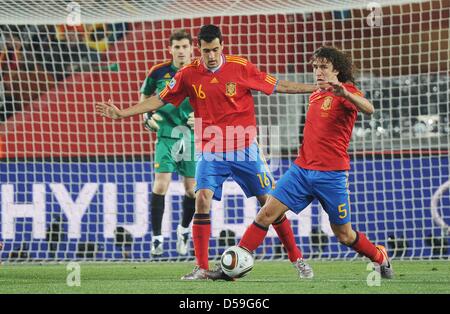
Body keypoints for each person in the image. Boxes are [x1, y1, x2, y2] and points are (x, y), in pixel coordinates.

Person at [96, 24, 317, 280]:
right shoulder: (188, 73)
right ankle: (201, 267)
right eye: (205, 51)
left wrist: (316, 88)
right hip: (210, 148)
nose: (211, 56)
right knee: (201, 198)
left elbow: (279, 85)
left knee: (269, 205)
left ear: (222, 45)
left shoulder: (241, 66)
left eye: (214, 49)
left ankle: (297, 259)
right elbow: (160, 98)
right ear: (198, 49)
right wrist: (123, 113)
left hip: (244, 146)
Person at [237, 46, 394, 279]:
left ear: (337, 70)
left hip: (331, 175)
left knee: (344, 235)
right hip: (300, 171)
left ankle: (379, 255)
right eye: (315, 67)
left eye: (324, 67)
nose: (318, 72)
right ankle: (234, 265)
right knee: (265, 214)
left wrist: (346, 94)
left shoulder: (346, 92)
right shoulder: (315, 93)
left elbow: (369, 109)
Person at [139, 29, 196, 256]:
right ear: (170, 49)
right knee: (160, 185)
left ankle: (183, 230)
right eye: (177, 47)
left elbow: (212, 100)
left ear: (192, 48)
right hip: (166, 133)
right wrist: (147, 117)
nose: (181, 50)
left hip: (190, 136)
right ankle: (156, 238)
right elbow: (144, 98)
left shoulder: (199, 72)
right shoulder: (159, 72)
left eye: (185, 46)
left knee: (192, 190)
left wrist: (201, 119)